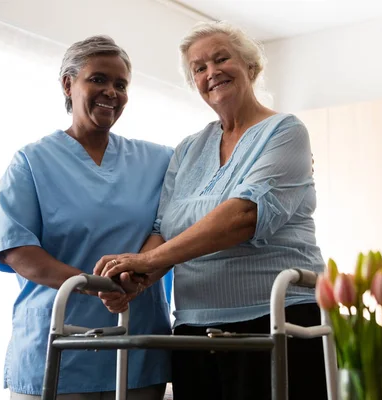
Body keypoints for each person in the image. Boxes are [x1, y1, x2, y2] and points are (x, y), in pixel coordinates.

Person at [95, 21, 328, 400]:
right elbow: (163, 227)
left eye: (222, 59)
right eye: (199, 68)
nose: (211, 72)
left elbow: (244, 216)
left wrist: (148, 260)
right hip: (194, 329)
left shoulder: (284, 131)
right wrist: (136, 278)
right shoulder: (188, 149)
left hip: (276, 320)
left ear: (250, 67)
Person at [0, 35, 172, 400]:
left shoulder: (158, 161)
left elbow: (169, 227)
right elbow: (18, 250)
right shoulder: (31, 161)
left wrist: (135, 278)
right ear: (67, 84)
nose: (111, 92)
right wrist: (96, 285)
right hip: (57, 346)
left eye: (121, 85)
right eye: (98, 79)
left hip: (136, 347)